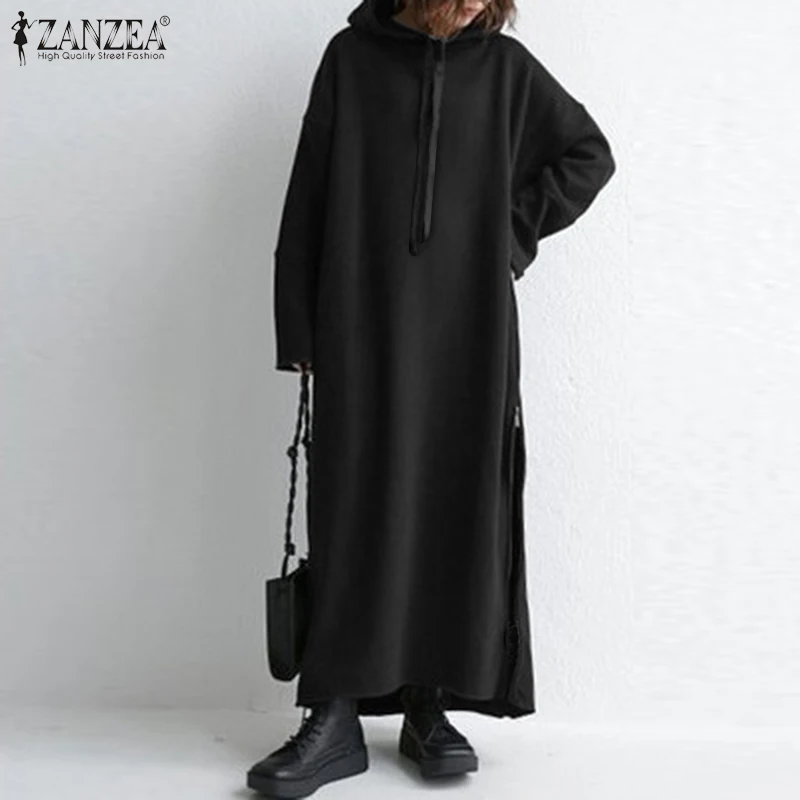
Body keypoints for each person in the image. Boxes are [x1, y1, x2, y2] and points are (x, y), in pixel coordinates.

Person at [247, 0, 616, 796]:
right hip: (360, 317)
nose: (477, 4)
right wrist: (298, 328)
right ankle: (333, 711)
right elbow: (308, 194)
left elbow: (589, 155)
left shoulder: (508, 72)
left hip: (468, 331)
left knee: (455, 500)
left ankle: (429, 703)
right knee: (354, 502)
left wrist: (508, 235)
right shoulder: (350, 60)